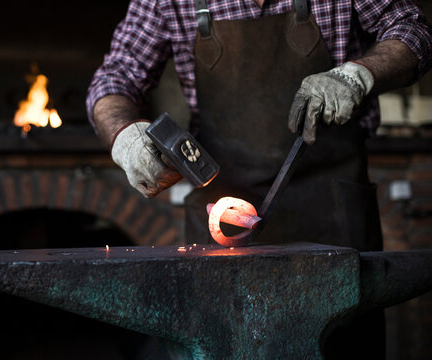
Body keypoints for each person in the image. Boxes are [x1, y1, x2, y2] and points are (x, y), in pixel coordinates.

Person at [86, 0, 432, 358]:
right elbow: (115, 77)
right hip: (222, 229)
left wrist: (359, 73)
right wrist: (124, 134)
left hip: (334, 216)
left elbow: (413, 30)